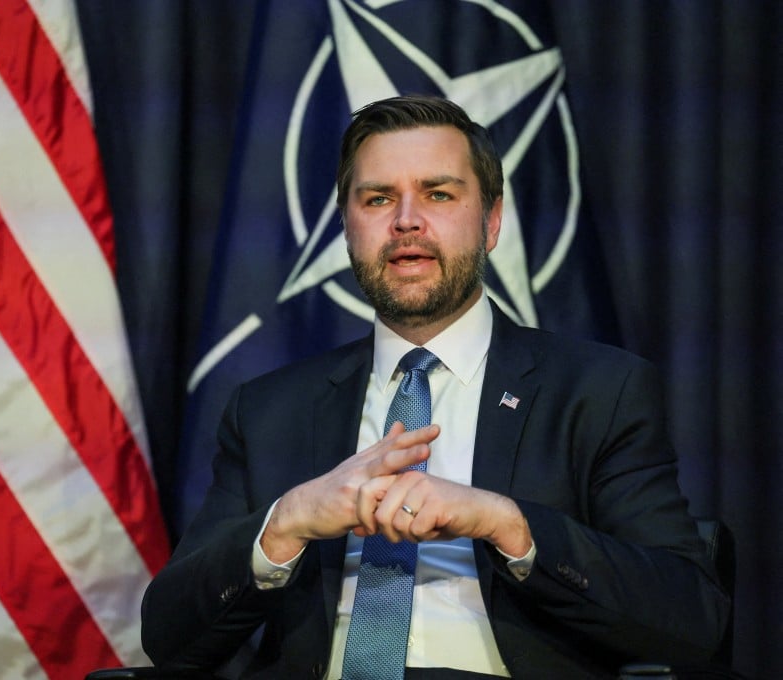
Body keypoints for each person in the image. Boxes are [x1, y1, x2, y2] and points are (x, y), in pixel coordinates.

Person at [141, 95, 730, 679]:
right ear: (347, 227)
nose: (406, 220)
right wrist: (286, 523)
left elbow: (691, 619)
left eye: (439, 193)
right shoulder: (269, 410)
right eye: (377, 199)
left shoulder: (599, 392)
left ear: (491, 221)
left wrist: (510, 526)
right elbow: (168, 637)